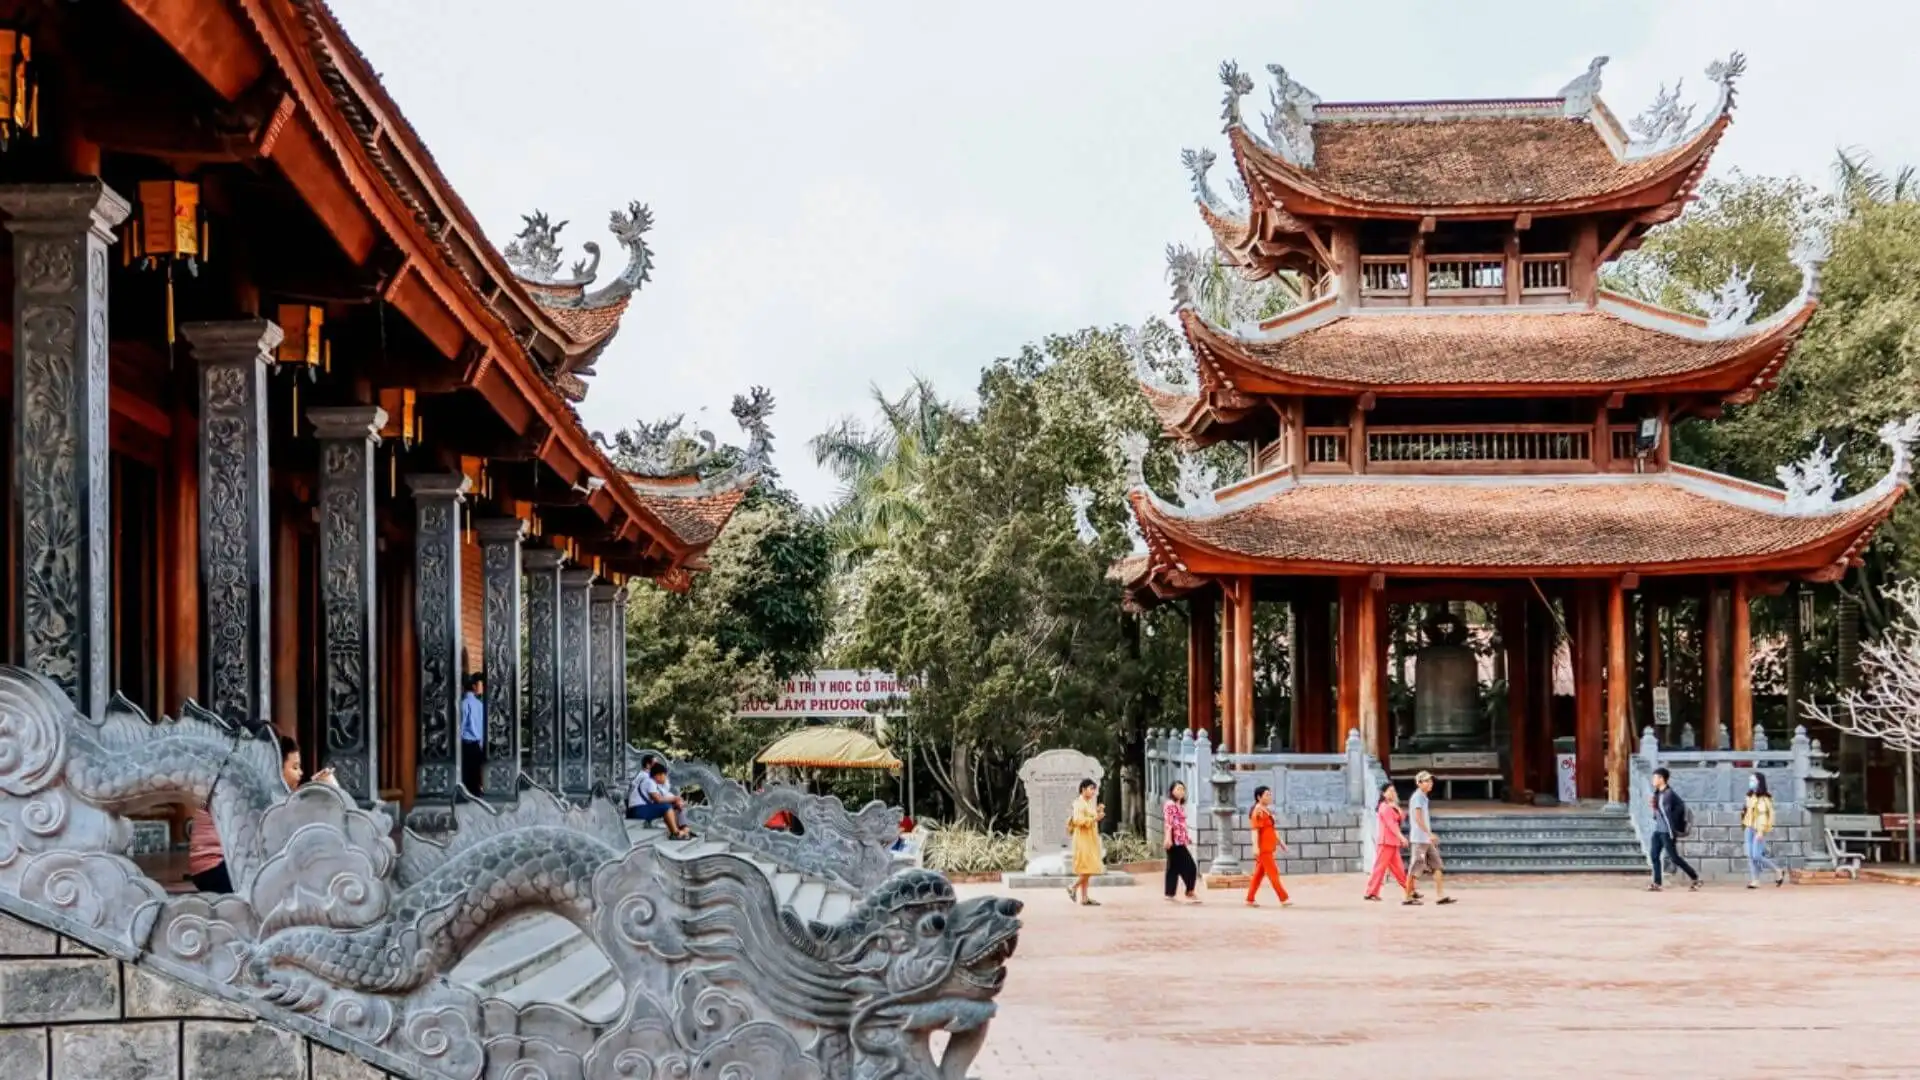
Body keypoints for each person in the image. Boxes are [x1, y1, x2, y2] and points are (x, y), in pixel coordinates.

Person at [189, 735, 335, 894]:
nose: (300, 773)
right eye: (294, 767)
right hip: (217, 869)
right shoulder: (242, 784)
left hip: (214, 867)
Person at [1405, 770, 1455, 905]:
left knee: (1437, 864)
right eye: (1426, 781)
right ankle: (1408, 896)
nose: (1430, 783)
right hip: (1419, 839)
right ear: (1419, 783)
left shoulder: (1423, 797)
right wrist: (1429, 833)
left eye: (1430, 781)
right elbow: (1418, 818)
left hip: (1426, 839)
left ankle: (1440, 895)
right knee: (1415, 867)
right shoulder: (1417, 797)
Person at [1647, 766, 1701, 892]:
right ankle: (1657, 883)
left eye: (1655, 777)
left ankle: (1695, 878)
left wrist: (1672, 832)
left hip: (1667, 831)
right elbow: (1660, 813)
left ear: (1662, 779)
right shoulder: (1658, 793)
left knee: (1674, 858)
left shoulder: (1668, 794)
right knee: (1654, 855)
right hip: (1658, 830)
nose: (1653, 780)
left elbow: (1668, 814)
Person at [1365, 781, 1414, 904]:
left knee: (1399, 869)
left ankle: (1410, 890)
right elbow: (1392, 825)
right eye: (1390, 791)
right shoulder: (1384, 807)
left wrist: (1396, 807)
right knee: (1380, 868)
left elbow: (1401, 818)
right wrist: (1402, 837)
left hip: (1392, 842)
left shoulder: (1391, 806)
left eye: (1393, 791)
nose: (1392, 793)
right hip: (1386, 842)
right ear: (1384, 793)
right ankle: (1371, 892)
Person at [1245, 785, 1291, 907]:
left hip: (1268, 847)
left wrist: (1281, 843)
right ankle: (1283, 898)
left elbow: (1272, 829)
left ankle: (1250, 898)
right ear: (1259, 797)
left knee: (1258, 875)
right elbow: (1255, 831)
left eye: (1270, 794)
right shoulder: (1258, 812)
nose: (1270, 797)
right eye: (1267, 795)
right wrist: (1255, 847)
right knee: (1273, 873)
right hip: (1263, 849)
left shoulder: (1266, 810)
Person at [1743, 771, 1786, 888]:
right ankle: (1755, 880)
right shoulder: (1750, 796)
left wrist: (1760, 831)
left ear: (1759, 782)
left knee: (1757, 855)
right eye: (1750, 780)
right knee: (1750, 856)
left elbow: (1762, 816)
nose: (1750, 783)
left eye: (1753, 780)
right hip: (1749, 827)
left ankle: (1777, 870)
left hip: (1758, 829)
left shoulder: (1764, 799)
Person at [626, 761, 691, 839]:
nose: (666, 778)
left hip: (640, 809)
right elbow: (658, 799)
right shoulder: (649, 781)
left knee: (672, 806)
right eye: (665, 775)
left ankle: (682, 829)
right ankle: (676, 833)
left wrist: (676, 801)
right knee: (666, 807)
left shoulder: (655, 784)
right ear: (658, 775)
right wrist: (675, 799)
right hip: (636, 811)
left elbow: (666, 797)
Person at [1067, 778, 1104, 906]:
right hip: (1083, 840)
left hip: (1089, 839)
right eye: (1091, 789)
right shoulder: (1079, 803)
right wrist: (1094, 818)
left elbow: (1091, 817)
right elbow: (1077, 820)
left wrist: (1098, 812)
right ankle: (1073, 887)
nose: (1093, 792)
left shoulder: (1087, 803)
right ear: (1083, 789)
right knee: (1088, 868)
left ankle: (1084, 897)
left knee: (1087, 869)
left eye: (1094, 789)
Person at [1163, 781, 1199, 903]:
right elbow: (1169, 823)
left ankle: (1170, 893)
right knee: (1191, 866)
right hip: (1173, 840)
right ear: (1172, 791)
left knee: (1173, 867)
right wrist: (1168, 838)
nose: (1181, 792)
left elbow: (1181, 825)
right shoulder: (1170, 804)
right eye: (1178, 789)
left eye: (1182, 789)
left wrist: (1187, 838)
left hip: (1180, 840)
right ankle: (1189, 891)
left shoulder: (1180, 806)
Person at [459, 672, 486, 797]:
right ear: (474, 687)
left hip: (466, 746)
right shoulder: (480, 705)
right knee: (475, 778)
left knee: (466, 778)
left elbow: (460, 726)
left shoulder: (463, 704)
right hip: (477, 745)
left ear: (463, 687)